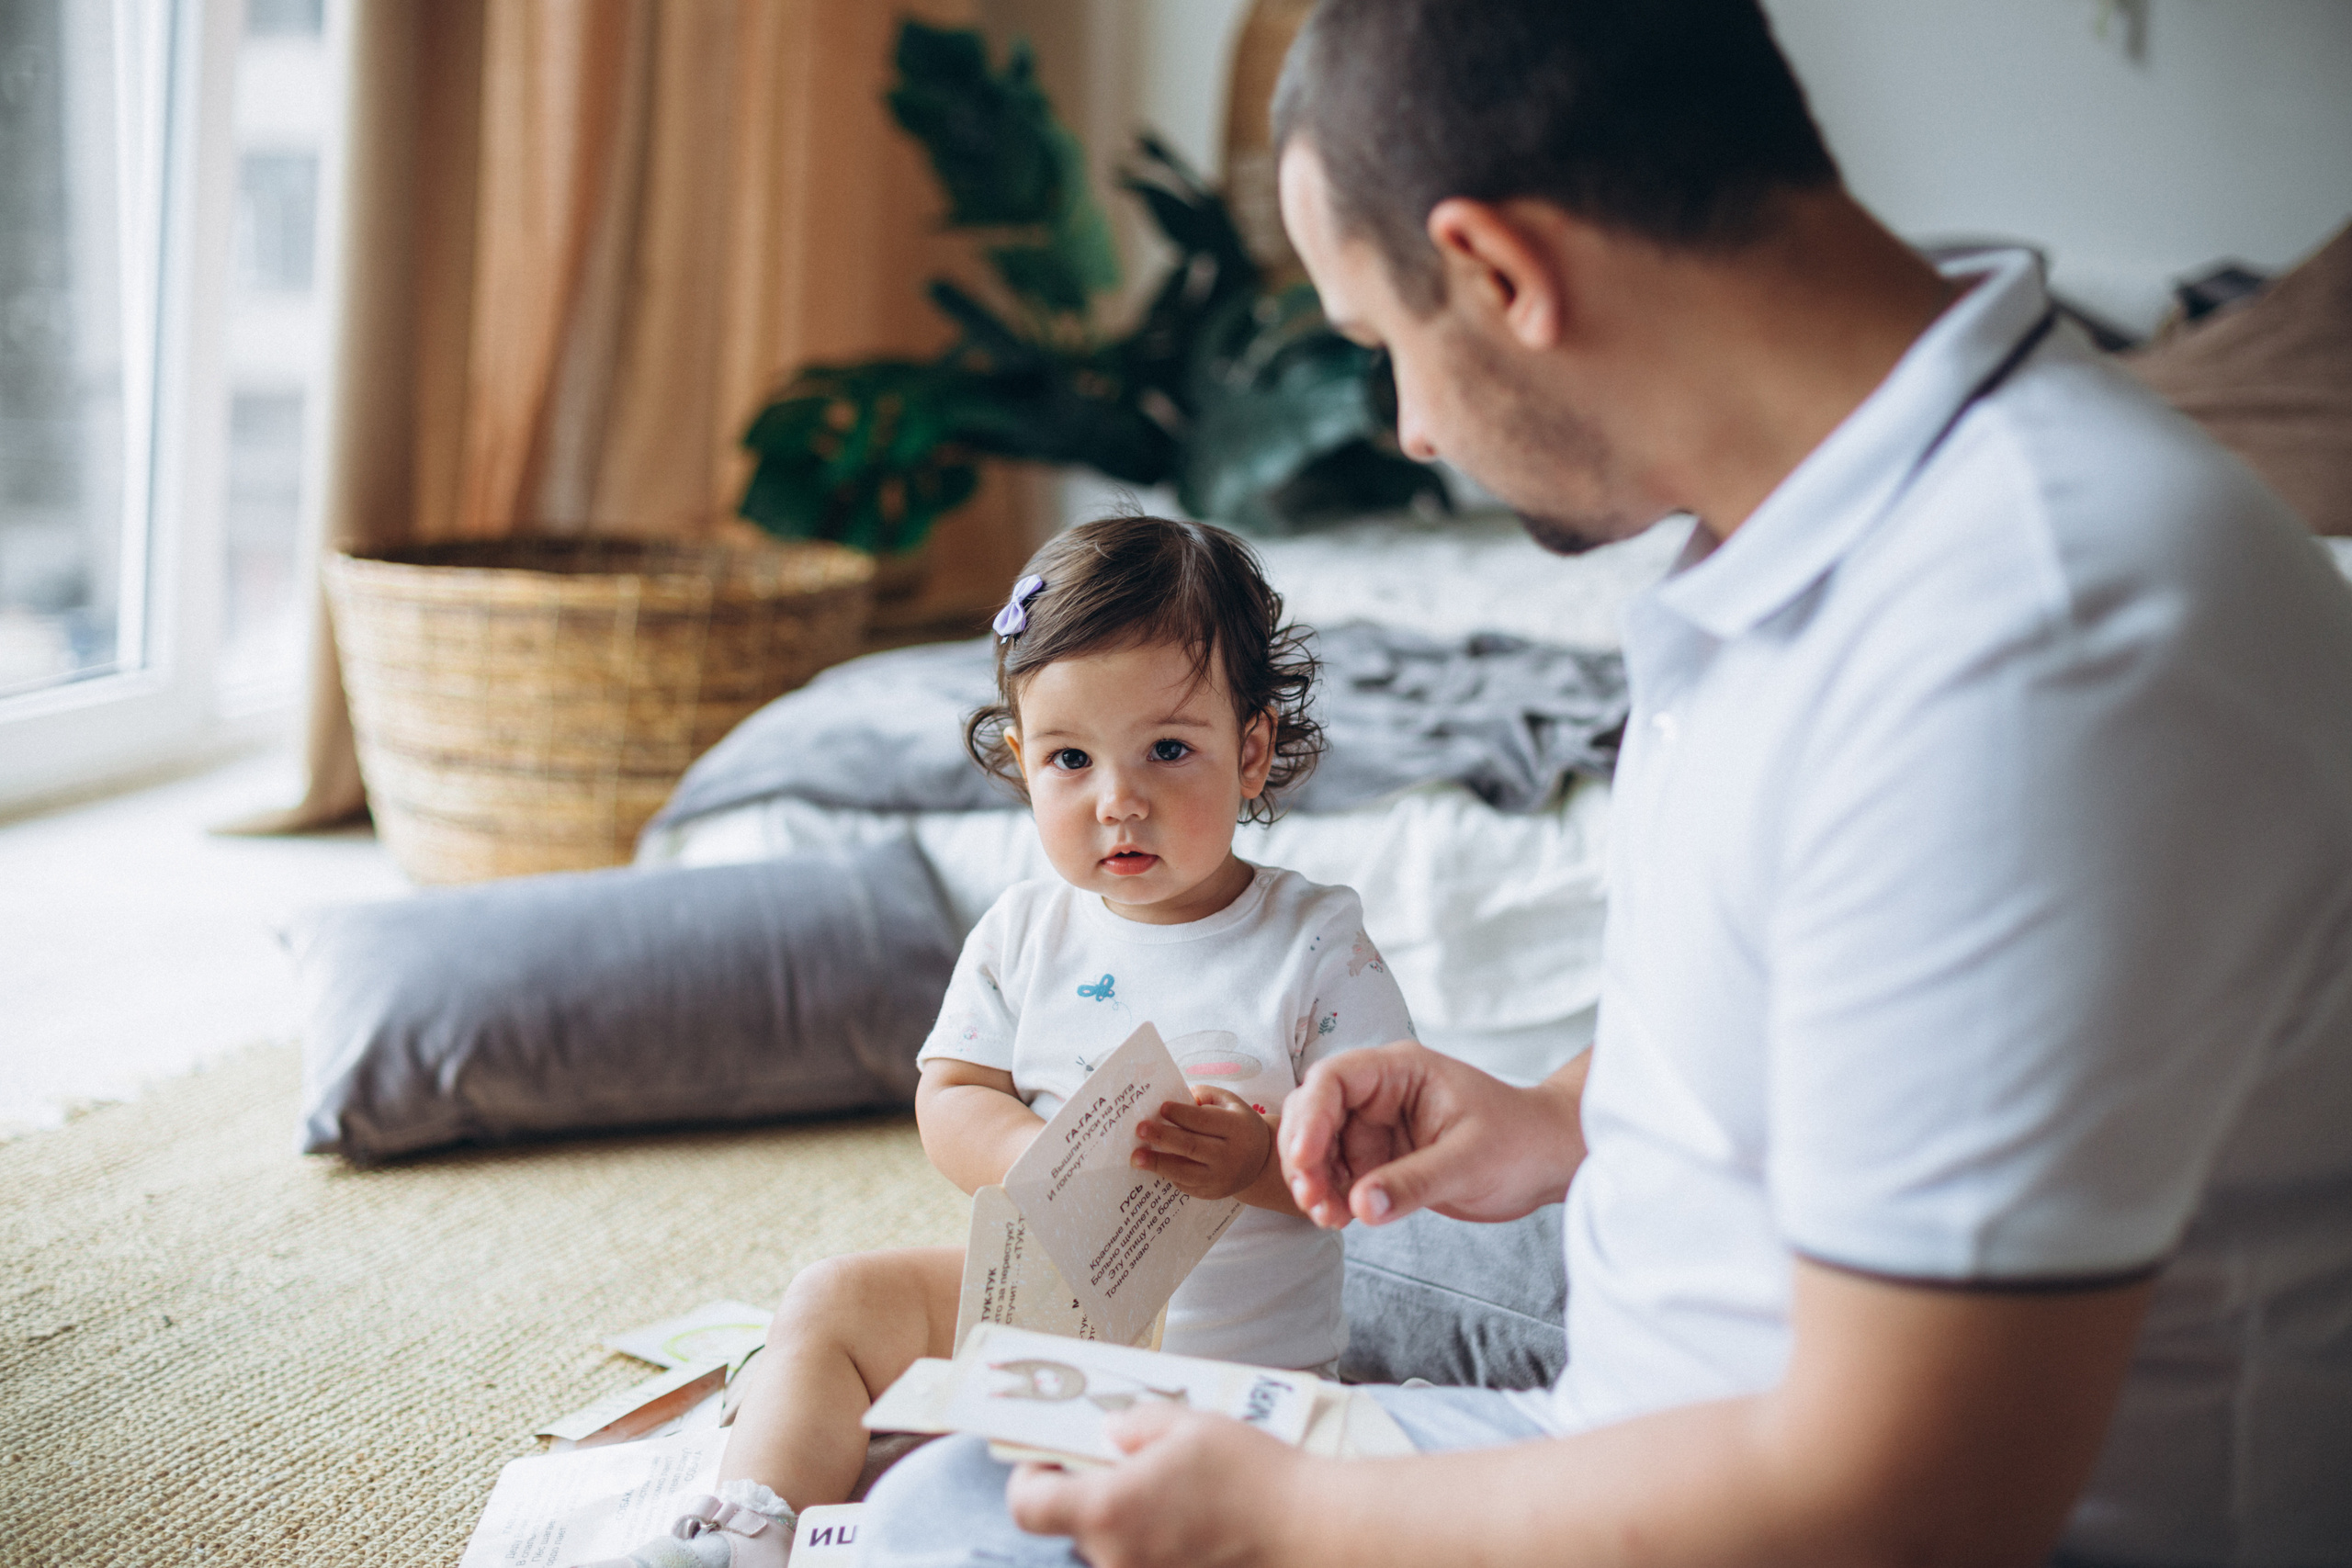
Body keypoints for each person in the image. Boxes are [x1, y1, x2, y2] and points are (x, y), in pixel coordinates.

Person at [859, 2, 2352, 1565]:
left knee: (973, 1526)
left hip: (1807, 1512)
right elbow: (1864, 1017)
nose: (1416, 429)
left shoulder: (2035, 641)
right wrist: (1561, 1113)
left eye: (1386, 350)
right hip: (1646, 1414)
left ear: (1504, 274)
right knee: (969, 1490)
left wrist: (1302, 1521)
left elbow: (1925, 1492)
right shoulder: (1810, 534)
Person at [584, 514, 1419, 1568]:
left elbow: (1379, 1155)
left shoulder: (1313, 942)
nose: (1120, 801)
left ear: (1250, 751)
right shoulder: (1027, 929)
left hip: (1230, 1377)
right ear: (1023, 762)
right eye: (1072, 758)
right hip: (1037, 1329)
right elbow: (952, 1094)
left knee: (1009, 1513)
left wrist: (1259, 1161)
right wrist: (1031, 1156)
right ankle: (748, 1524)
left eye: (1169, 750)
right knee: (833, 1300)